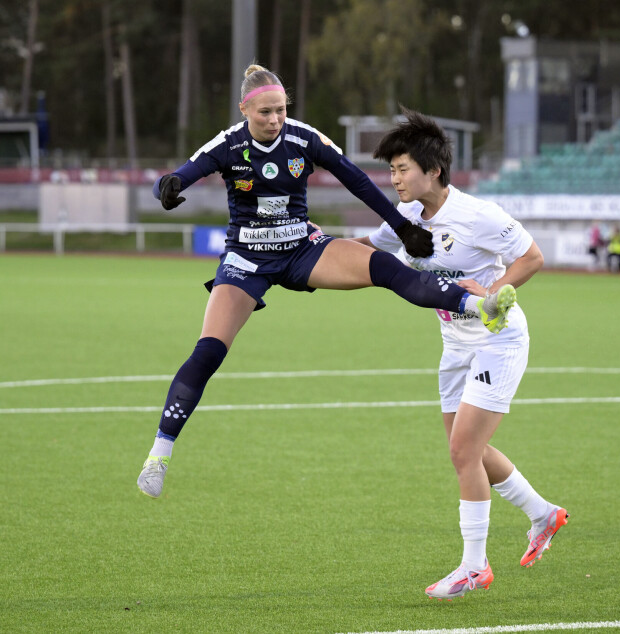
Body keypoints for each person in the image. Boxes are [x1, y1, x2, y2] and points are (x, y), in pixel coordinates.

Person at [135, 66, 517, 498]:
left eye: (281, 110)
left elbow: (355, 180)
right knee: (208, 352)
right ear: (244, 110)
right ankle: (159, 454)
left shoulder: (303, 137)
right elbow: (180, 175)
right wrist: (167, 188)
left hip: (302, 248)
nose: (276, 119)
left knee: (384, 268)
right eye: (265, 112)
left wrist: (401, 226)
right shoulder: (228, 144)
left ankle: (478, 306)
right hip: (247, 260)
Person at [353, 108, 567, 600]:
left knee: (462, 451)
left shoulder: (477, 216)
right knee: (468, 450)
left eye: (403, 169)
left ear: (433, 171)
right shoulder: (405, 215)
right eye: (392, 170)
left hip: (499, 338)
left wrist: (492, 290)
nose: (395, 179)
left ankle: (475, 566)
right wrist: (315, 245)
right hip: (454, 345)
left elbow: (531, 257)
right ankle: (543, 514)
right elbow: (371, 246)